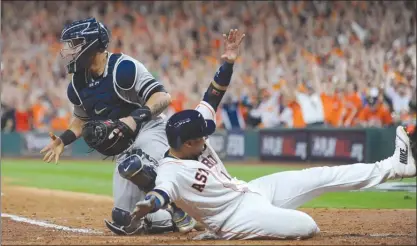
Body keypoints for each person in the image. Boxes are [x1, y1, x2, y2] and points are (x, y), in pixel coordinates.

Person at [126, 46, 417, 241]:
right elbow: (162, 193)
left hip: (249, 190)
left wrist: (227, 63)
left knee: (321, 174)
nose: (207, 136)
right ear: (187, 143)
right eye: (201, 136)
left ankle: (394, 166)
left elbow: (212, 96)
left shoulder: (189, 136)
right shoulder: (170, 171)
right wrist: (147, 206)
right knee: (306, 226)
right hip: (235, 218)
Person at [39, 17, 196, 235]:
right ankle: (164, 217)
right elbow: (81, 118)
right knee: (123, 218)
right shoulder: (77, 84)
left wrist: (133, 119)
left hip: (151, 130)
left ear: (91, 44)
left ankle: (178, 207)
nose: (68, 51)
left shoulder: (124, 68)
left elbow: (162, 97)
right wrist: (63, 140)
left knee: (136, 165)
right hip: (126, 145)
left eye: (74, 45)